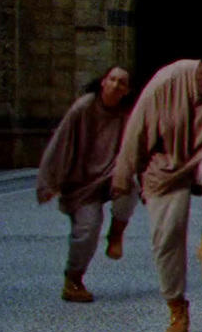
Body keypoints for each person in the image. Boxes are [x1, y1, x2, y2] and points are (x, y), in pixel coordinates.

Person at [112, 39, 202, 332]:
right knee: (167, 235)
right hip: (163, 161)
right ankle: (177, 308)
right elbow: (135, 131)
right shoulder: (169, 79)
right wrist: (122, 180)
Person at [35, 66, 134, 303]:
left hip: (110, 173)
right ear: (102, 82)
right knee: (88, 228)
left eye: (122, 82)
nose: (115, 85)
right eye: (112, 79)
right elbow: (61, 142)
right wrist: (48, 182)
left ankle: (116, 235)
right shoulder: (83, 107)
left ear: (126, 90)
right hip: (81, 181)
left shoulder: (126, 114)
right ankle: (73, 279)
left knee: (129, 185)